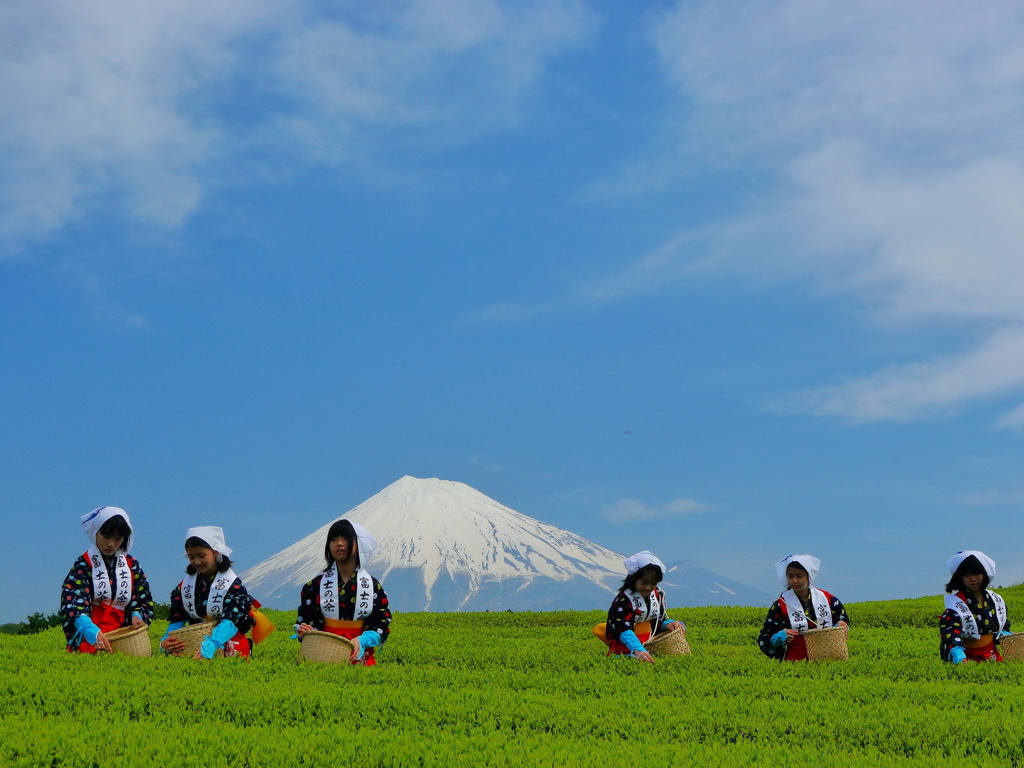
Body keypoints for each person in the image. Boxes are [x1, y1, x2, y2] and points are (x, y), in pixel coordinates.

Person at [295, 519, 392, 665]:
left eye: (345, 538)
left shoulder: (373, 586)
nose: (339, 543)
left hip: (359, 653)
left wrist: (362, 640)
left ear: (359, 544)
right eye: (333, 539)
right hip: (322, 652)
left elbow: (381, 624)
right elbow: (303, 621)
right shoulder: (314, 585)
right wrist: (303, 631)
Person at [60, 506, 155, 653]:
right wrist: (91, 630)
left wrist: (137, 616)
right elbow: (73, 601)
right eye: (106, 536)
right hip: (90, 636)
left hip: (123, 637)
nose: (111, 544)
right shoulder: (84, 564)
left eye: (118, 539)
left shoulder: (131, 565)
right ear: (95, 533)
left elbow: (141, 599)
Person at [159, 527, 264, 659]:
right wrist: (166, 641)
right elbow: (177, 619)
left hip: (229, 642)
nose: (196, 561)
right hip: (195, 643)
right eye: (191, 557)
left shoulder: (232, 584)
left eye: (201, 556)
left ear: (216, 552)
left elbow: (231, 621)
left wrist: (213, 643)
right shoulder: (184, 586)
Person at [597, 551, 686, 663]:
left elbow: (656, 621)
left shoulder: (657, 595)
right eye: (644, 582)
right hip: (627, 647)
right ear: (634, 579)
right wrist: (638, 650)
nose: (648, 587)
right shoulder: (624, 600)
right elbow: (623, 628)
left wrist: (669, 624)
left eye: (653, 583)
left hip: (649, 644)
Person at [758, 554, 849, 661]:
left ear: (809, 576)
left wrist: (842, 625)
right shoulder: (781, 604)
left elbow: (841, 619)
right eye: (790, 576)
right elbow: (765, 638)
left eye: (799, 576)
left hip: (828, 656)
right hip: (796, 660)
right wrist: (781, 636)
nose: (795, 581)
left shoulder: (826, 598)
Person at [939, 550, 1011, 663]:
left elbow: (1000, 623)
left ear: (984, 574)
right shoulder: (957, 602)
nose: (973, 579)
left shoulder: (994, 599)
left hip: (990, 653)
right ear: (960, 578)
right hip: (966, 657)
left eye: (977, 574)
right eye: (967, 575)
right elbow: (951, 630)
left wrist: (1005, 634)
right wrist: (956, 651)